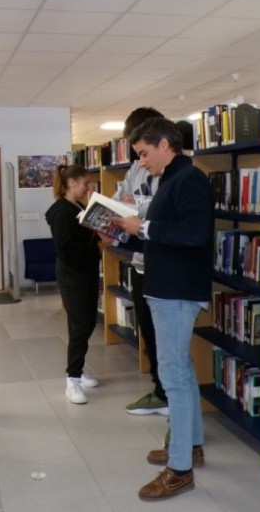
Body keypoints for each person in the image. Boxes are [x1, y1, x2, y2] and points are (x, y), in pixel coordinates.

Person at [115, 117, 214, 501]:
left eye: (143, 154)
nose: (141, 163)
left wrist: (144, 228)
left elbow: (194, 234)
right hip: (166, 286)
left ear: (165, 144)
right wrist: (123, 229)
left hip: (176, 291)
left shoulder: (189, 179)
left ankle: (180, 470)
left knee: (173, 376)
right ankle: (190, 447)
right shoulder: (170, 180)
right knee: (182, 372)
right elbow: (164, 237)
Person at [114, 107, 170, 417]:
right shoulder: (135, 170)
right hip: (139, 263)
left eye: (142, 150)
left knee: (168, 338)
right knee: (147, 331)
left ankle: (171, 392)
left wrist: (135, 205)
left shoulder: (173, 170)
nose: (140, 159)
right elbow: (119, 197)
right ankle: (159, 389)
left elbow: (163, 208)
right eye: (135, 152)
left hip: (165, 266)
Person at [46, 164, 102, 404]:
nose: (87, 188)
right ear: (71, 184)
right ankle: (73, 379)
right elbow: (65, 248)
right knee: (80, 325)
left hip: (87, 272)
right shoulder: (61, 211)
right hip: (73, 275)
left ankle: (78, 369)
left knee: (87, 322)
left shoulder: (78, 206)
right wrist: (94, 246)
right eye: (84, 183)